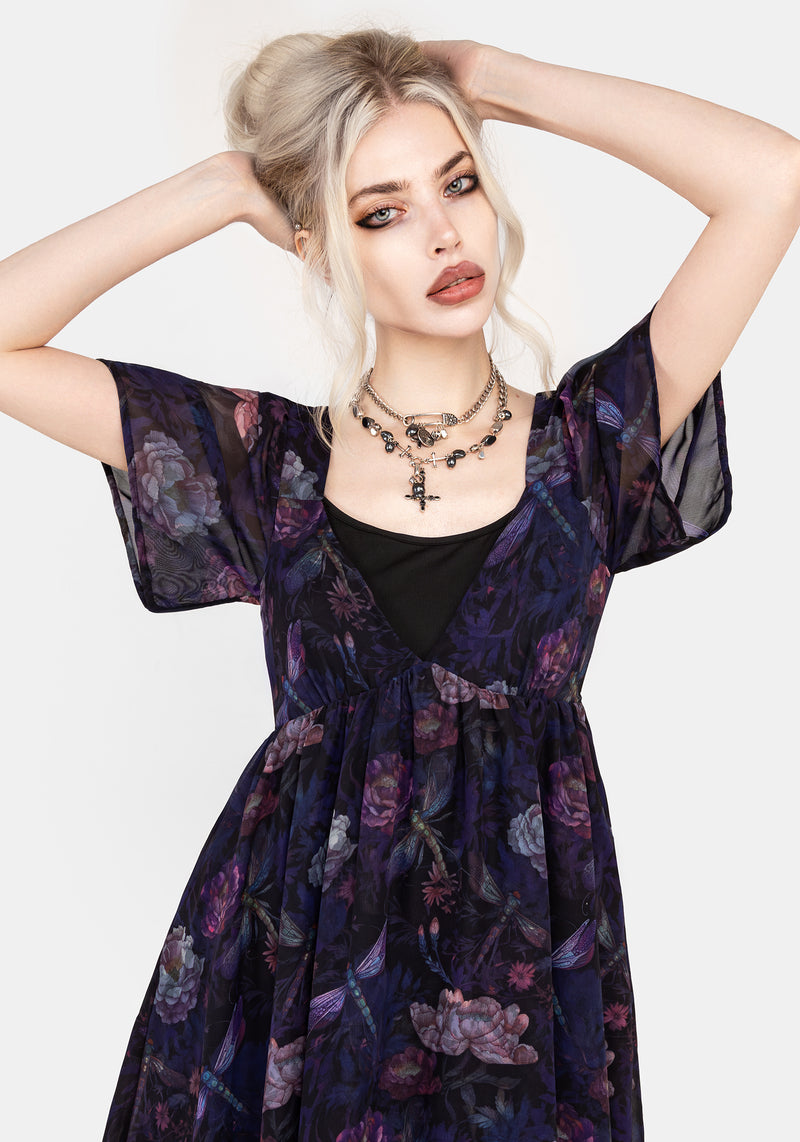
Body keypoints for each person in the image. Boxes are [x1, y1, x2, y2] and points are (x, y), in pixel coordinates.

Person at [0, 26, 797, 1142]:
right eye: (380, 212)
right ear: (323, 247)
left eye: (457, 183)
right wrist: (221, 188)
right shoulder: (266, 465)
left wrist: (495, 82)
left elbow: (771, 180)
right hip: (287, 977)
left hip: (521, 988)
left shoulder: (589, 445)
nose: (441, 233)